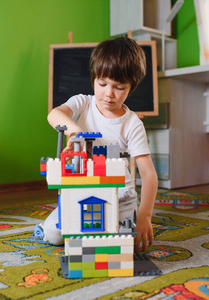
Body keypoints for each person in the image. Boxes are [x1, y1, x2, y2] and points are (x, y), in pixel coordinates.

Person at [41, 36, 158, 252]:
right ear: (94, 78)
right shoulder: (82, 103)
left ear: (132, 86)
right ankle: (51, 223)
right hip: (81, 191)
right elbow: (54, 114)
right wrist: (75, 131)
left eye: (119, 87)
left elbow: (149, 174)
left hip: (120, 198)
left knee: (121, 242)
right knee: (54, 234)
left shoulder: (132, 124)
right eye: (102, 84)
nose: (108, 94)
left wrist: (145, 215)